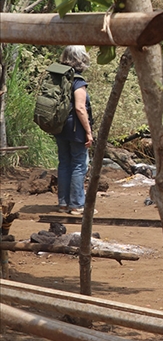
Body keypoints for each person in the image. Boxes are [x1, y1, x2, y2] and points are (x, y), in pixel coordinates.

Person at [55, 46, 93, 216]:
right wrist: (89, 132)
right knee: (79, 165)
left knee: (64, 163)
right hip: (75, 128)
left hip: (60, 126)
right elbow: (80, 108)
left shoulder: (59, 76)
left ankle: (63, 204)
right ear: (81, 58)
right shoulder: (78, 80)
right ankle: (77, 205)